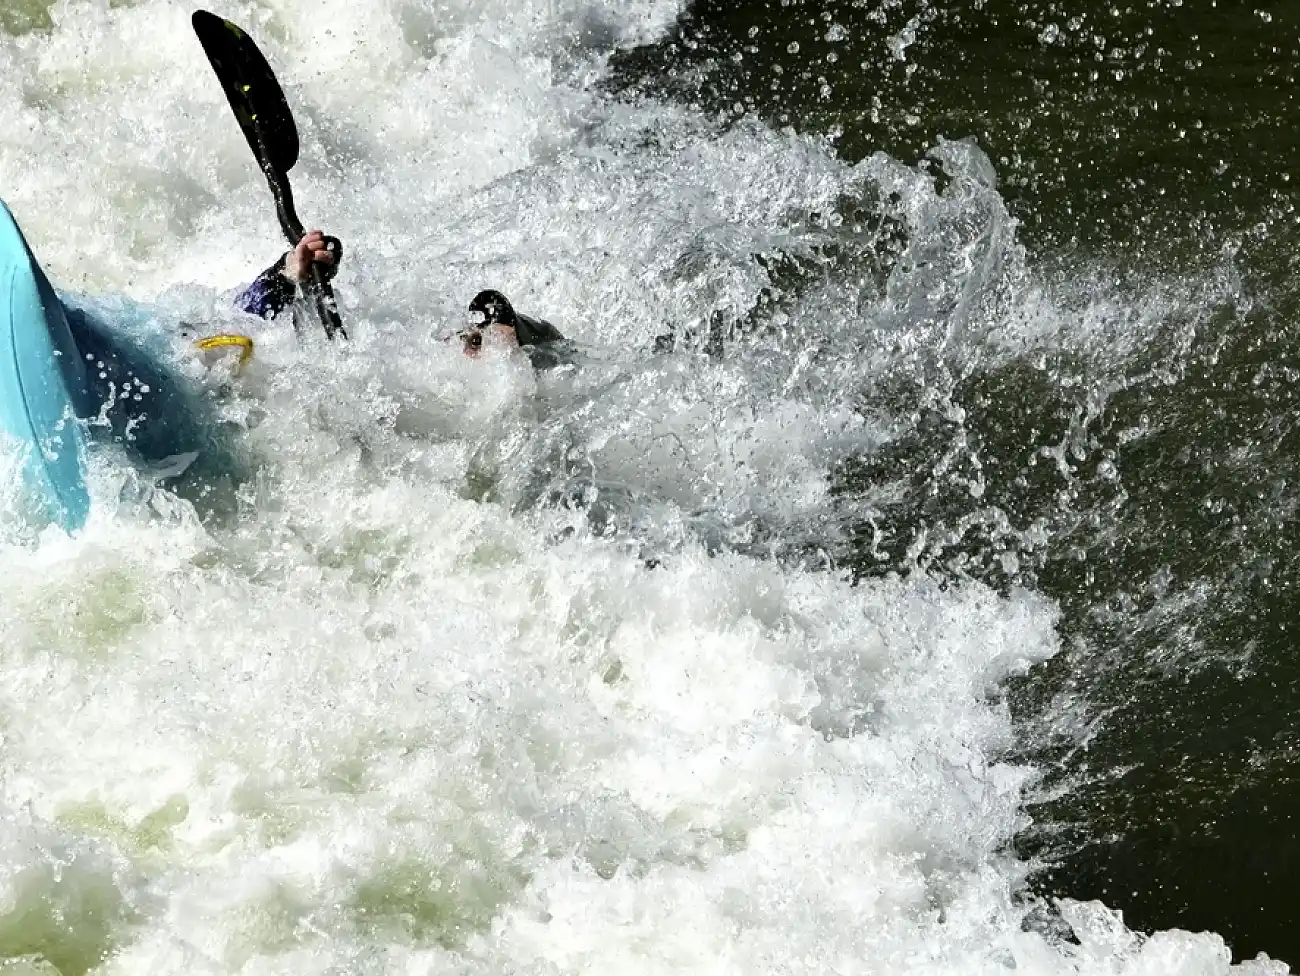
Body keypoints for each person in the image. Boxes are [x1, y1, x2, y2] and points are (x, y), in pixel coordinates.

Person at [236, 236, 570, 368]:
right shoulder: (418, 370)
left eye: (475, 343)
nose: (471, 350)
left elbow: (495, 307)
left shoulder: (426, 363)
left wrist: (286, 275)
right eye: (472, 343)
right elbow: (236, 322)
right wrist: (285, 276)